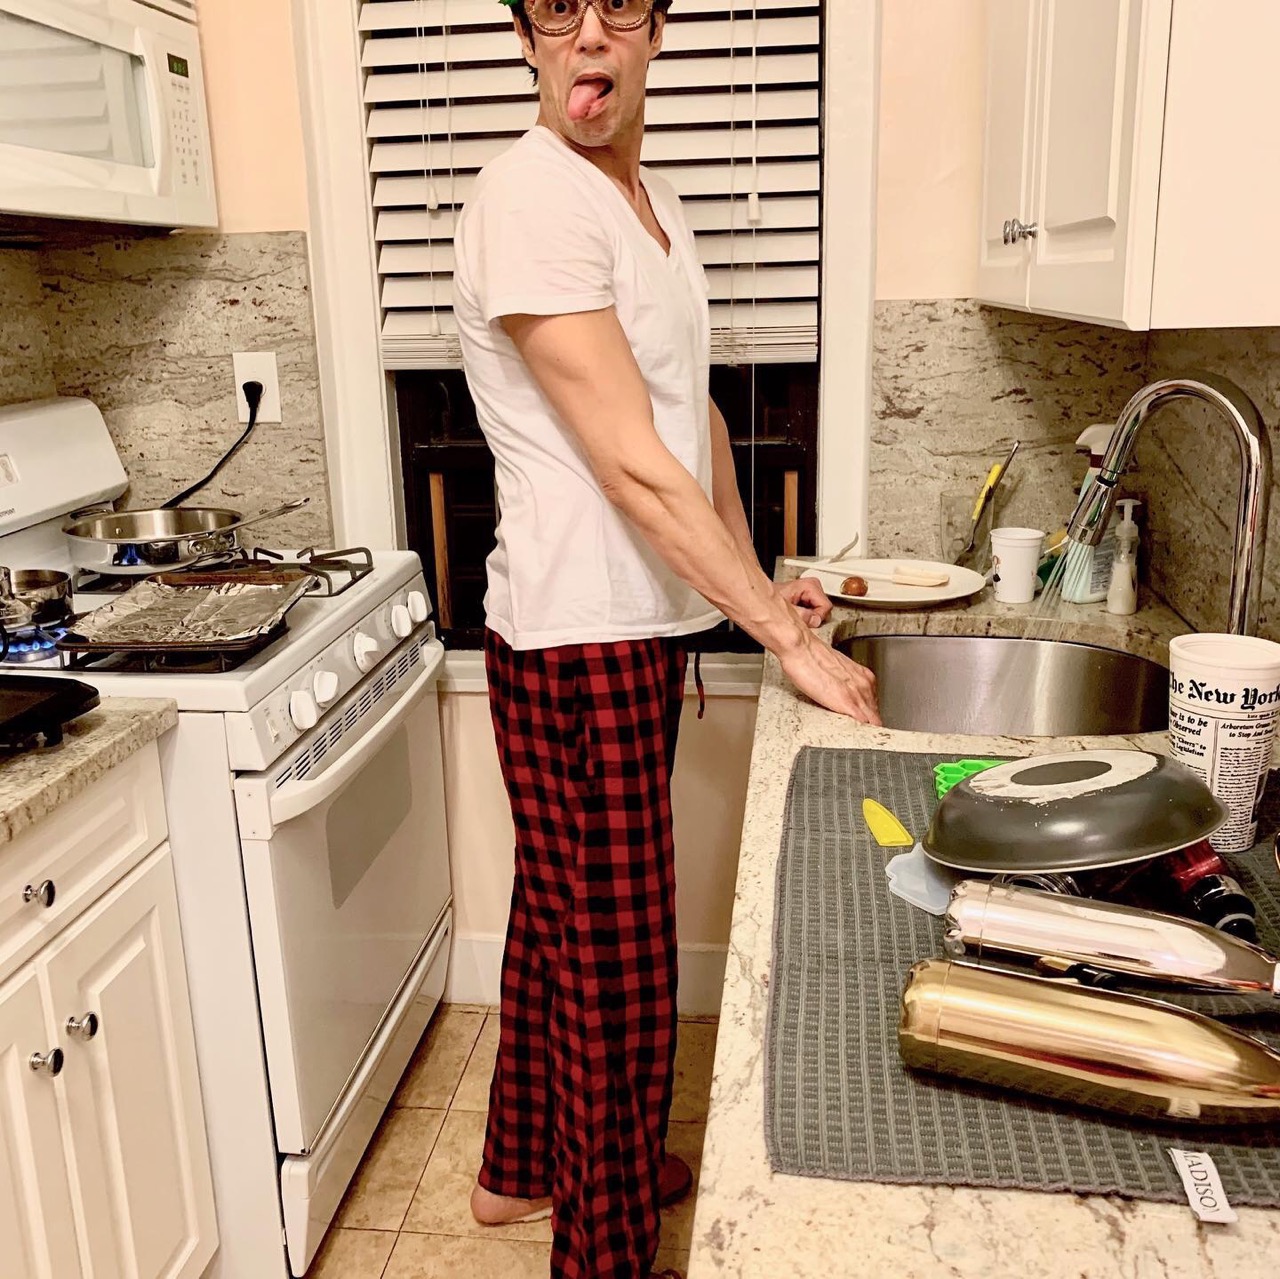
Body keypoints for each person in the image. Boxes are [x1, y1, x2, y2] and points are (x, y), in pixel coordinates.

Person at [451, 2, 881, 1275]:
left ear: (655, 32)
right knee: (620, 974)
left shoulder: (648, 202)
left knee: (563, 923)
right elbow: (630, 466)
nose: (589, 35)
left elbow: (687, 422)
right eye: (557, 10)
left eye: (619, 8)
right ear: (525, 38)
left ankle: (518, 1173)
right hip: (575, 635)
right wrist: (779, 642)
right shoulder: (531, 200)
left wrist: (761, 589)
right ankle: (604, 1247)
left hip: (625, 628)